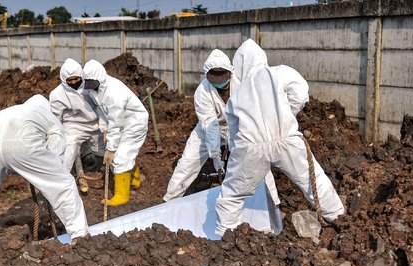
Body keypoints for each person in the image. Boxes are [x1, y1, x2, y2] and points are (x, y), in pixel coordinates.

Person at [214, 39, 345, 236]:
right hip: (286, 140)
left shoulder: (236, 95)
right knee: (314, 181)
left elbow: (234, 132)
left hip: (251, 148)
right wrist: (286, 115)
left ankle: (225, 236)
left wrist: (235, 158)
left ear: (238, 66)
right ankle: (339, 219)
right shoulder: (279, 72)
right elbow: (300, 94)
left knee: (232, 194)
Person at [163, 49, 281, 204]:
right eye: (215, 77)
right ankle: (170, 201)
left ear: (230, 72)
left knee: (258, 158)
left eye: (222, 75)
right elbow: (210, 126)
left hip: (239, 126)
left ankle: (272, 202)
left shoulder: (240, 84)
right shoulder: (202, 92)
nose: (219, 81)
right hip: (208, 128)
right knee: (186, 163)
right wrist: (215, 156)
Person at [0, 94, 88, 243]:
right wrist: (48, 169)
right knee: (64, 185)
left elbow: (3, 147)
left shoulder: (10, 111)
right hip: (22, 144)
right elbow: (57, 143)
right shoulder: (46, 115)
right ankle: (80, 235)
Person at [83, 59, 149, 206]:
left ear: (100, 78)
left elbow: (116, 122)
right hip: (120, 122)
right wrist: (104, 129)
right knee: (123, 154)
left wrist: (111, 149)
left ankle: (121, 196)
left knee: (120, 157)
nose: (91, 87)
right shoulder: (94, 87)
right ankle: (134, 179)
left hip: (134, 123)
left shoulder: (113, 94)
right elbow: (101, 110)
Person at [49, 58, 104, 175]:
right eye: (70, 80)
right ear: (64, 79)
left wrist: (105, 123)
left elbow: (101, 105)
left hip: (96, 123)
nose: (74, 82)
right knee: (68, 149)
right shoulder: (57, 94)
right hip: (74, 126)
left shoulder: (89, 85)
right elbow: (55, 118)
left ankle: (103, 169)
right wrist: (56, 137)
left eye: (76, 79)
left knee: (104, 151)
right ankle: (62, 178)